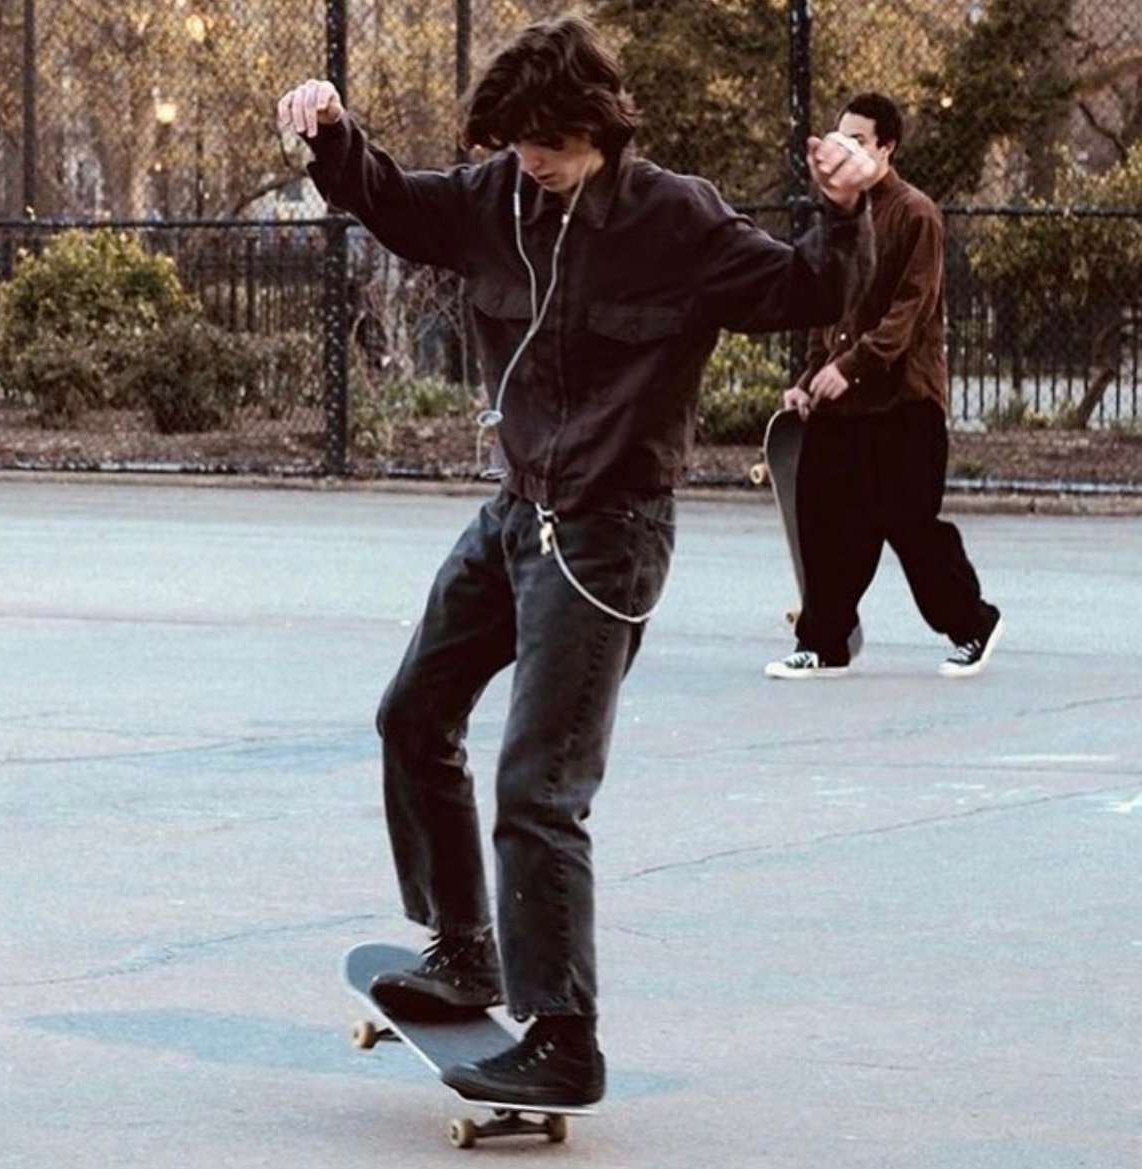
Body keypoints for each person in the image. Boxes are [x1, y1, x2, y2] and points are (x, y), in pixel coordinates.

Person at [278, 15, 875, 1108]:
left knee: (539, 785)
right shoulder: (496, 198)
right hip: (516, 514)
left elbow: (805, 292)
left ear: (597, 128)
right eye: (513, 144)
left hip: (609, 533)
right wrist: (330, 135)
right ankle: (466, 944)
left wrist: (844, 213)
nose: (529, 163)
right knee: (413, 714)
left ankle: (565, 1033)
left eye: (546, 143)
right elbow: (399, 204)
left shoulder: (674, 220)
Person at [765, 92, 1003, 681]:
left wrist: (850, 369)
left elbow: (909, 312)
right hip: (845, 404)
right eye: (840, 138)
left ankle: (973, 624)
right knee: (825, 519)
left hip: (905, 402)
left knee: (910, 524)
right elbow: (832, 307)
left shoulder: (916, 213)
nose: (847, 151)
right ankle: (824, 642)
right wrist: (809, 380)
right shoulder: (843, 214)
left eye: (861, 142)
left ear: (887, 148)